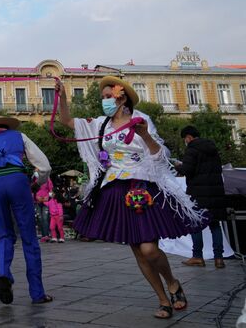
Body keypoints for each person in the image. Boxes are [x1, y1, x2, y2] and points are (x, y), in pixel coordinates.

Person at [56, 77, 205, 320]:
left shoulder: (141, 120)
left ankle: (173, 282)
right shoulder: (100, 125)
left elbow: (160, 156)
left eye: (107, 96)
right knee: (138, 249)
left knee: (149, 248)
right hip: (114, 190)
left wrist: (145, 135)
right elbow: (66, 121)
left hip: (143, 186)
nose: (104, 101)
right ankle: (163, 299)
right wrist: (62, 97)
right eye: (102, 98)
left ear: (121, 96)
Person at [0, 116, 53, 305]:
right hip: (17, 181)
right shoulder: (19, 136)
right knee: (29, 238)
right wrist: (36, 182)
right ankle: (37, 293)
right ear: (6, 127)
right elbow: (44, 166)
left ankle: (3, 272)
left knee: (4, 235)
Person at [175, 125, 228, 269]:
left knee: (195, 224)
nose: (185, 141)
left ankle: (197, 256)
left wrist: (178, 166)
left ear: (189, 137)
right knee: (215, 225)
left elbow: (187, 170)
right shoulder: (212, 148)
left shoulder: (192, 149)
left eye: (185, 139)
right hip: (216, 192)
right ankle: (219, 258)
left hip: (198, 193)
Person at [33, 174, 52, 242]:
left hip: (45, 202)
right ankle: (43, 235)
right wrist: (36, 197)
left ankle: (46, 235)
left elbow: (51, 191)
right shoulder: (35, 180)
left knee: (45, 218)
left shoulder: (48, 180)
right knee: (40, 218)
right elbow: (33, 190)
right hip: (38, 202)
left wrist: (48, 197)